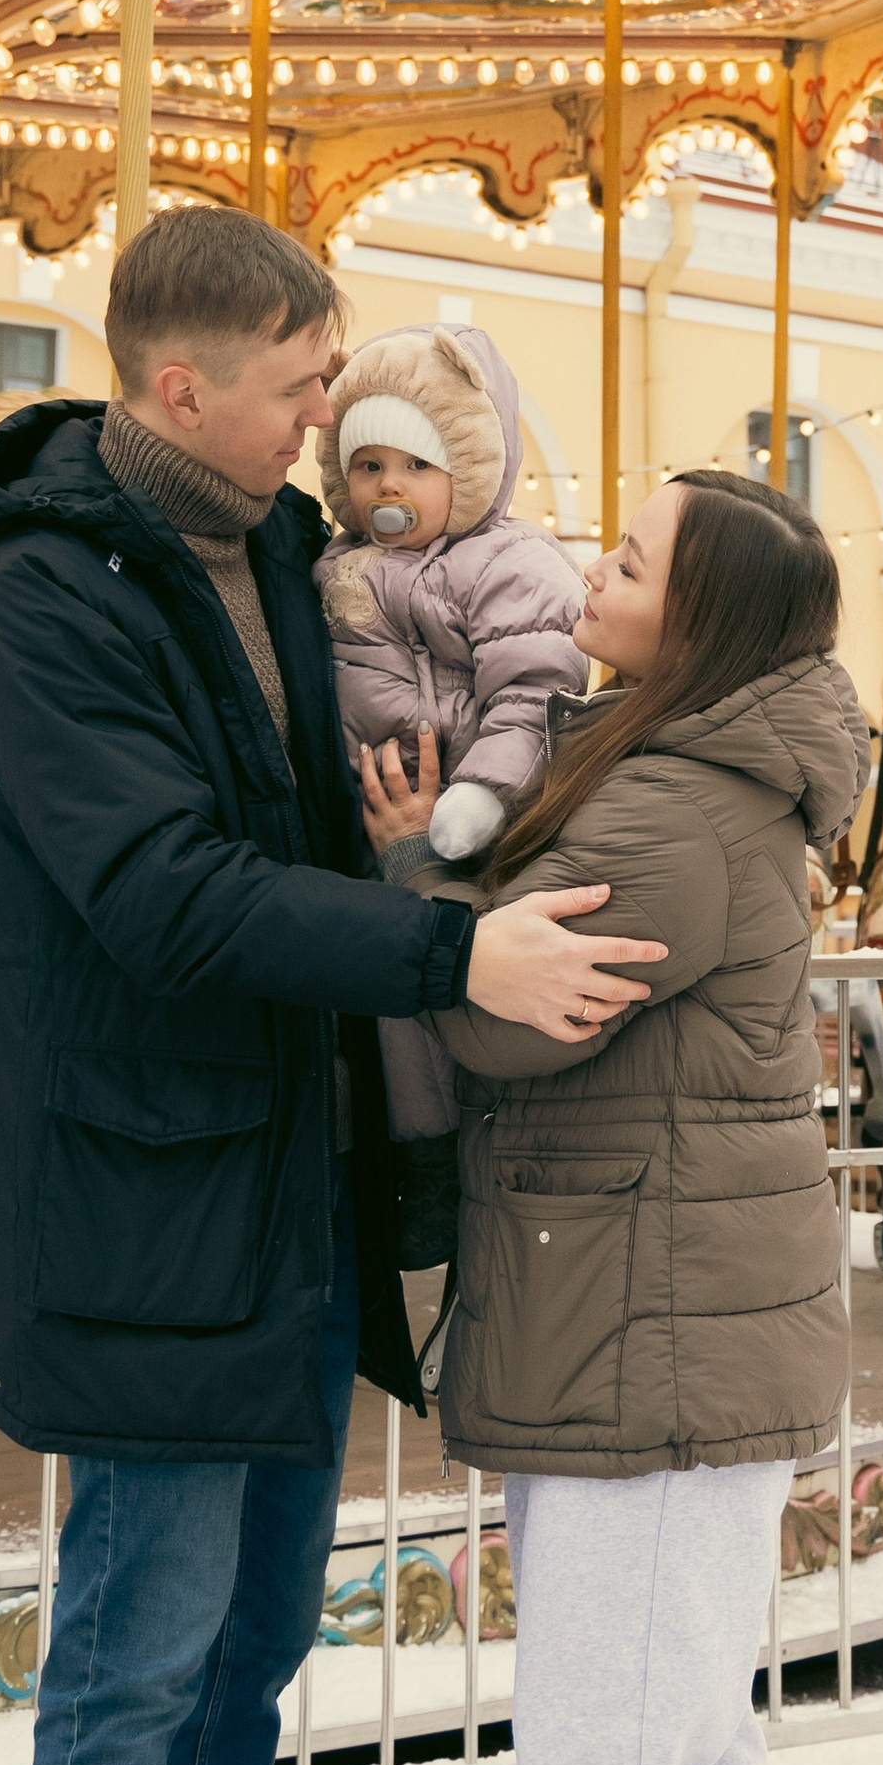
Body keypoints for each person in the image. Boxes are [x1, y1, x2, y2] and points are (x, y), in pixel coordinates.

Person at [0, 207, 668, 1765]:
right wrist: (448, 951)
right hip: (150, 1195)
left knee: (247, 1651)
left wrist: (401, 834)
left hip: (276, 1182)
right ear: (181, 388)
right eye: (293, 381)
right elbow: (164, 893)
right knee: (132, 1665)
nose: (324, 416)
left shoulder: (263, 554)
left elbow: (278, 837)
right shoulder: (47, 605)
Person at [360, 467, 872, 1765]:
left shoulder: (669, 807)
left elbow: (506, 1013)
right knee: (669, 1721)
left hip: (649, 1317)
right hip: (638, 1301)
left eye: (635, 562)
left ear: (705, 620)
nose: (595, 570)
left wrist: (420, 891)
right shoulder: (660, 765)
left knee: (606, 1741)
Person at [313, 322, 588, 1253]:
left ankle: (482, 1166)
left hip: (482, 819)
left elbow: (537, 691)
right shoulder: (328, 568)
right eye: (369, 464)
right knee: (395, 1014)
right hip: (375, 824)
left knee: (463, 996)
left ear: (466, 470)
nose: (389, 485)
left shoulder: (506, 561)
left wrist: (480, 795)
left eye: (417, 464)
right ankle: (419, 1175)